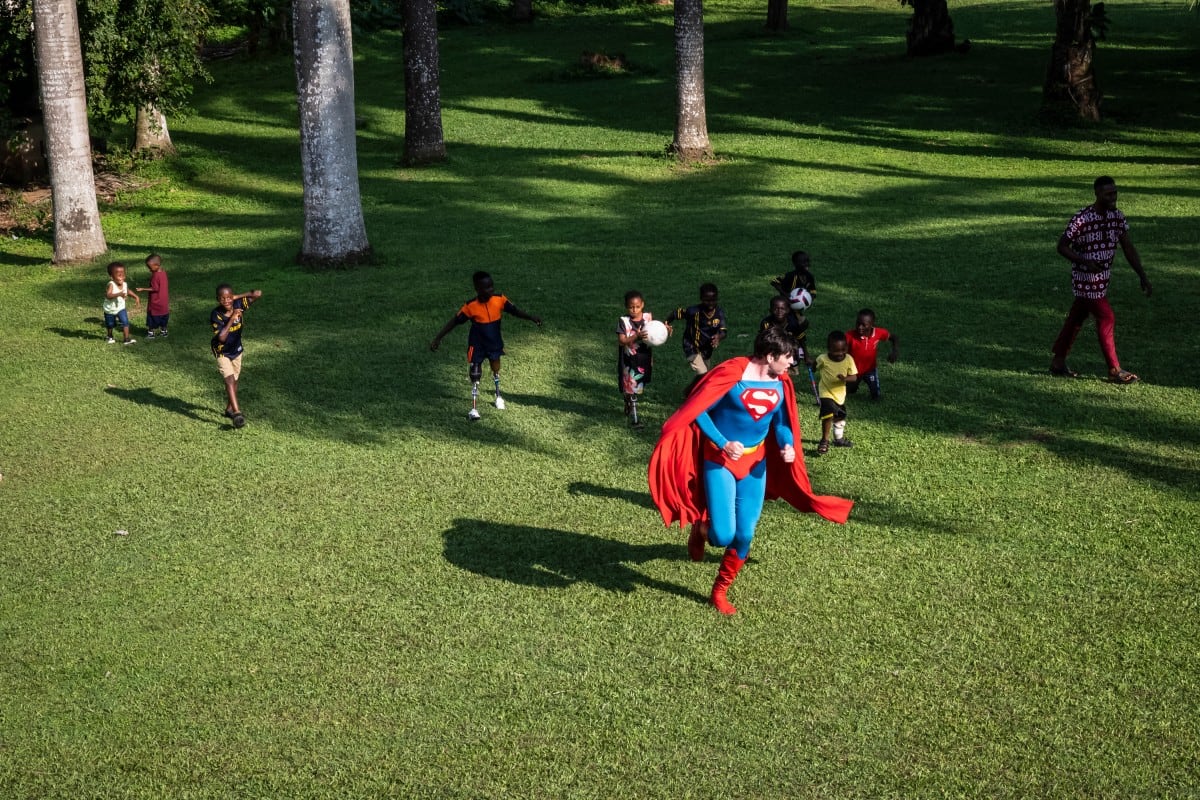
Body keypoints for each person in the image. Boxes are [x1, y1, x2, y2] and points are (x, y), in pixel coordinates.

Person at [648, 327, 854, 615]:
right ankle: (701, 529)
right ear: (769, 356)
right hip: (720, 461)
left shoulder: (781, 383)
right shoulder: (732, 378)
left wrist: (786, 445)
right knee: (722, 535)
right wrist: (722, 442)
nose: (791, 363)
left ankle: (719, 591)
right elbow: (698, 410)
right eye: (787, 357)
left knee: (744, 534)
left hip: (755, 464)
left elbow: (781, 423)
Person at [1050, 176, 1152, 384]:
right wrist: (1084, 262)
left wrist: (1141, 274)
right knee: (1107, 317)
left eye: (1115, 193)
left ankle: (1058, 362)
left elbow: (1128, 247)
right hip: (1085, 278)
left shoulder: (1117, 217)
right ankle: (1114, 369)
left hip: (1102, 278)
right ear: (1097, 194)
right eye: (1108, 194)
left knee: (1076, 318)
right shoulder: (1082, 219)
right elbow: (1062, 247)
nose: (1113, 197)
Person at [430, 271, 542, 420]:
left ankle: (498, 396)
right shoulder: (470, 306)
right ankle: (474, 408)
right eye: (486, 288)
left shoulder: (499, 299)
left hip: (494, 342)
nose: (491, 290)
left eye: (491, 286)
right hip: (477, 344)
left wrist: (531, 318)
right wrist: (438, 338)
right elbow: (454, 322)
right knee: (475, 372)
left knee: (496, 367)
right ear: (477, 289)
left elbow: (515, 311)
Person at [210, 284, 263, 429]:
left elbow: (257, 293)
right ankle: (237, 413)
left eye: (229, 297)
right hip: (222, 351)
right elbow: (221, 337)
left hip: (236, 350)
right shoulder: (216, 315)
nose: (226, 301)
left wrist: (237, 297)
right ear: (217, 300)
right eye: (223, 298)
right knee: (229, 379)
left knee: (235, 379)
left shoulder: (238, 304)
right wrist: (233, 317)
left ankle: (228, 409)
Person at [666, 283, 727, 378]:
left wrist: (718, 337)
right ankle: (695, 391)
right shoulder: (693, 311)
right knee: (704, 374)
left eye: (713, 300)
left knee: (704, 377)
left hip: (707, 348)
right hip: (691, 347)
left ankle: (692, 391)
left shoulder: (719, 313)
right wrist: (666, 323)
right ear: (701, 299)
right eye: (707, 300)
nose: (711, 303)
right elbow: (676, 313)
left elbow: (723, 331)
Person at [814, 330, 858, 455]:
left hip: (839, 394)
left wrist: (845, 379)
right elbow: (814, 366)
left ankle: (838, 439)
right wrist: (810, 363)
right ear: (828, 349)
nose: (840, 354)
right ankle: (824, 440)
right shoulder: (823, 359)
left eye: (843, 350)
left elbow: (854, 377)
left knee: (840, 416)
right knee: (828, 414)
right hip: (826, 392)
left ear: (846, 348)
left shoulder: (849, 359)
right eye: (836, 351)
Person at [617, 290, 655, 428]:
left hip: (644, 359)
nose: (634, 310)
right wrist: (635, 337)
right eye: (631, 307)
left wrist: (665, 330)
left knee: (638, 387)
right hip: (629, 361)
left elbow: (655, 333)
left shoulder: (647, 319)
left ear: (642, 305)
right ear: (626, 307)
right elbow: (622, 341)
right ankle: (635, 420)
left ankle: (627, 399)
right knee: (632, 388)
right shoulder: (624, 322)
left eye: (637, 306)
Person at [845, 308, 898, 400]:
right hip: (854, 371)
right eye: (858, 323)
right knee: (847, 392)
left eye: (864, 325)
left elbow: (894, 337)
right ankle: (854, 386)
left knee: (876, 395)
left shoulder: (878, 333)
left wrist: (895, 351)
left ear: (871, 325)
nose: (860, 327)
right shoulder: (850, 335)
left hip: (870, 370)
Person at [103, 261, 140, 345]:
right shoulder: (111, 284)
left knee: (125, 322)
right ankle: (110, 336)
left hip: (120, 308)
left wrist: (135, 296)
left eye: (123, 275)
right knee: (110, 324)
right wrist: (119, 294)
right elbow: (108, 295)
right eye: (119, 275)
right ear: (112, 277)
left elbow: (127, 291)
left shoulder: (124, 284)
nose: (122, 277)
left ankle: (126, 339)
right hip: (110, 309)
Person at [135, 253, 170, 338]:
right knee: (164, 316)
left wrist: (143, 289)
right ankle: (163, 331)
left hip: (155, 302)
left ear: (156, 265)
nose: (149, 269)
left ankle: (151, 333)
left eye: (150, 267)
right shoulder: (163, 272)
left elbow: (155, 288)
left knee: (152, 317)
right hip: (164, 302)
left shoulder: (155, 276)